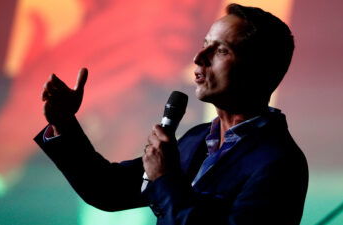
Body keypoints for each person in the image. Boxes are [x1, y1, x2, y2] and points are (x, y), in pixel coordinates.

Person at [35, 4, 308, 225]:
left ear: (259, 70)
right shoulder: (196, 139)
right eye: (204, 43)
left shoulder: (279, 163)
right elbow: (108, 190)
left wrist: (165, 179)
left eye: (221, 50)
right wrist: (65, 123)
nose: (199, 57)